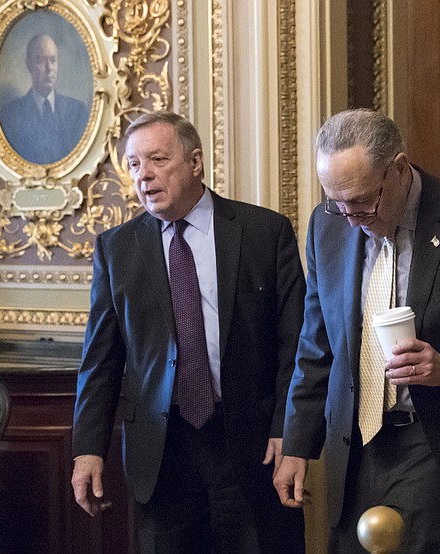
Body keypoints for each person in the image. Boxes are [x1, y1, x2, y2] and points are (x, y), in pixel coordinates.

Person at [273, 108, 440, 553]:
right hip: (355, 445)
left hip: (434, 440)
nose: (350, 216)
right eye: (336, 202)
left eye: (362, 200)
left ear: (399, 169)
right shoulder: (327, 226)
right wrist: (297, 444)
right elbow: (317, 343)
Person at [71, 111, 306, 553]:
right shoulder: (116, 249)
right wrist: (87, 449)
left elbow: (295, 344)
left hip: (251, 444)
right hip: (162, 453)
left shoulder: (263, 232)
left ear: (195, 162)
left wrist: (289, 430)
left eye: (158, 159)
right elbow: (100, 360)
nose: (145, 176)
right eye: (135, 164)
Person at [0, 33, 89, 165]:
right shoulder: (10, 115)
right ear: (29, 65)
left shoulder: (78, 111)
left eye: (53, 60)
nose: (49, 68)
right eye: (41, 60)